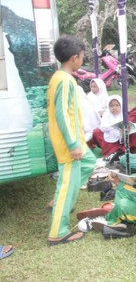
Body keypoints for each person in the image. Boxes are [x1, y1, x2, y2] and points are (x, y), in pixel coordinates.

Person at [46, 35, 97, 246]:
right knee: (66, 184)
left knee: (89, 162)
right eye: (82, 56)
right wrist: (73, 143)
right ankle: (58, 232)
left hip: (74, 140)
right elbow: (62, 115)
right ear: (74, 58)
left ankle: (59, 201)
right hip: (68, 143)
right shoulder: (65, 80)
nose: (83, 60)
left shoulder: (58, 77)